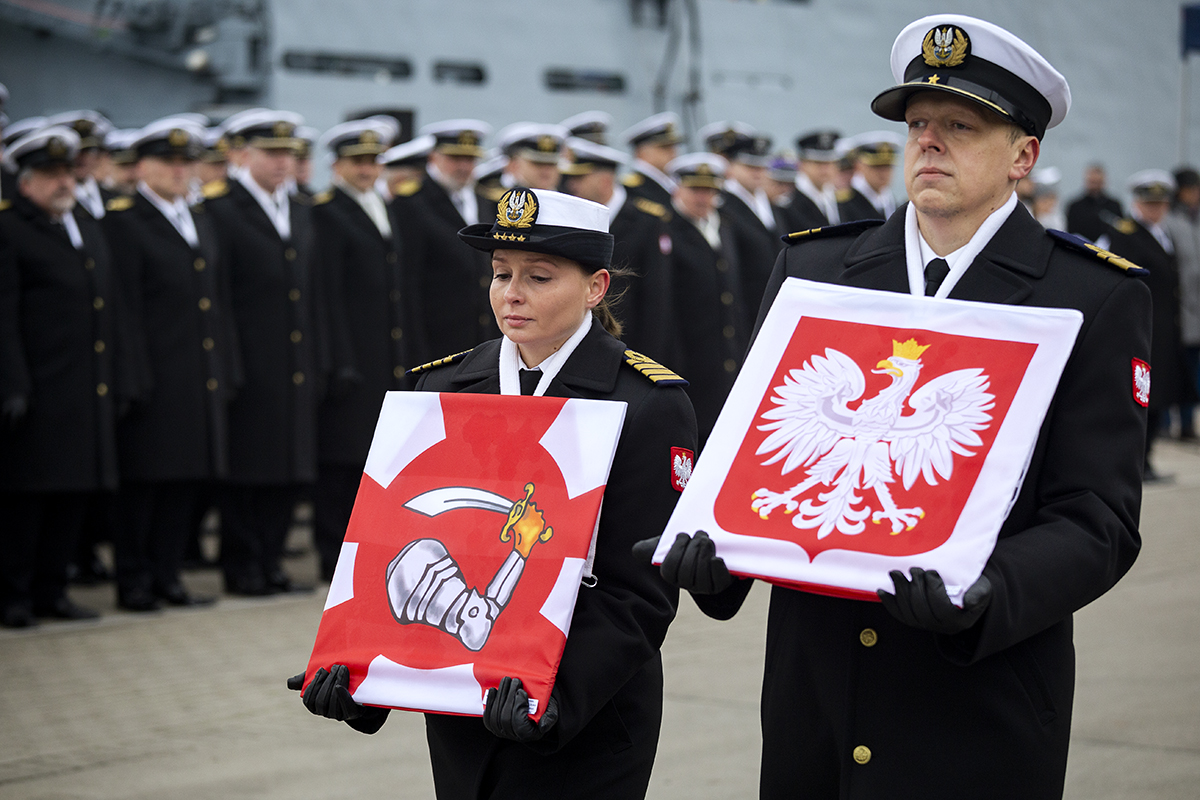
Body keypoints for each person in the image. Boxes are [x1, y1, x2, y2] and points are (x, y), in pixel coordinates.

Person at [643, 14, 1151, 799]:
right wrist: (715, 558)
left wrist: (991, 591)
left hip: (977, 702)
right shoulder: (818, 274)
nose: (929, 142)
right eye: (918, 124)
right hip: (817, 702)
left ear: (1024, 155)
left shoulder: (1090, 295)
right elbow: (759, 455)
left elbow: (1100, 517)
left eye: (961, 125)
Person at [290, 187, 698, 799]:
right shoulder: (443, 388)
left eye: (539, 276)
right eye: (501, 274)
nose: (512, 293)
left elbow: (639, 594)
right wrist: (361, 677)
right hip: (462, 714)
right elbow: (389, 543)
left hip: (585, 715)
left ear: (595, 287)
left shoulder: (645, 403)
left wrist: (555, 697)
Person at [0, 125, 129, 626]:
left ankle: (52, 590)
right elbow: (4, 316)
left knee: (71, 499)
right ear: (25, 182)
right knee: (27, 504)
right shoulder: (11, 230)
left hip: (83, 390)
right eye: (49, 175)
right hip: (36, 391)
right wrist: (12, 384)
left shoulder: (82, 226)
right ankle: (14, 595)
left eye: (66, 173)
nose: (62, 184)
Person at [102, 116, 233, 610]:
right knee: (145, 484)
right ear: (142, 167)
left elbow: (215, 304)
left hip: (197, 375)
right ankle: (134, 581)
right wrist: (132, 377)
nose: (180, 172)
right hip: (153, 375)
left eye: (186, 163)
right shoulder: (123, 221)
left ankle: (168, 576)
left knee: (183, 481)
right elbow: (124, 310)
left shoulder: (196, 218)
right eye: (168, 163)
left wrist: (224, 368)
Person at [203, 109, 320, 596]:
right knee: (247, 470)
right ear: (242, 155)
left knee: (288, 470)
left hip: (294, 362)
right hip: (249, 360)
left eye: (288, 155)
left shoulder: (298, 208)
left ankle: (271, 561)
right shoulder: (220, 209)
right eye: (271, 154)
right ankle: (242, 565)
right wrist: (227, 364)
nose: (281, 163)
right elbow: (218, 296)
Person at [310, 118, 410, 583]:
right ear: (337, 165)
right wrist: (340, 359)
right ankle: (333, 554)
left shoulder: (381, 206)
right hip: (352, 356)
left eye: (373, 161)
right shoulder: (327, 212)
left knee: (377, 460)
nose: (367, 169)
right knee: (342, 461)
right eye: (358, 161)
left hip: (384, 354)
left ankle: (368, 549)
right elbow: (325, 293)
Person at [1099, 170, 1191, 481]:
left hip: (1163, 329)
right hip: (1139, 328)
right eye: (1149, 204)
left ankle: (1145, 461)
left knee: (1158, 395)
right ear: (1137, 203)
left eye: (1160, 204)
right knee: (1140, 395)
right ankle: (1134, 464)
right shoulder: (1124, 233)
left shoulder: (1163, 235)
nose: (1156, 210)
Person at [558, 135, 677, 364]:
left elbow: (657, 300)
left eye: (580, 177)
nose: (572, 184)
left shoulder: (646, 222)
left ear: (605, 180)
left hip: (630, 346)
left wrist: (645, 362)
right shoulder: (574, 220)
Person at [664, 152, 748, 448]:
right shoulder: (666, 229)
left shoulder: (724, 226)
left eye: (709, 190)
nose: (703, 198)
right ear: (677, 188)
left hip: (723, 356)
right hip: (688, 356)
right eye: (695, 190)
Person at [699, 121, 782, 311]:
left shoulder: (769, 204)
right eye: (750, 167)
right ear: (731, 166)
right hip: (745, 306)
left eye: (761, 167)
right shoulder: (724, 206)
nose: (758, 173)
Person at [1164, 167, 1200, 439]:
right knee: (1172, 366)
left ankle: (1187, 424)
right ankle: (1165, 424)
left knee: (1194, 370)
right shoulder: (1170, 222)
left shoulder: (1195, 220)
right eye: (1190, 189)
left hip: (1196, 309)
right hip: (1178, 310)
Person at [619, 112, 684, 208]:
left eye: (673, 147)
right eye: (664, 147)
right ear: (641, 152)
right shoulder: (629, 189)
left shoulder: (675, 185)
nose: (672, 152)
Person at [836, 131, 903, 221]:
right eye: (876, 166)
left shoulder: (890, 202)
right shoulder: (844, 204)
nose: (883, 172)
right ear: (858, 165)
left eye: (888, 166)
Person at [1066, 162, 1123, 242]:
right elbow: (1071, 233)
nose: (1095, 186)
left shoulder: (1114, 205)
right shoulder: (1075, 206)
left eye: (1098, 182)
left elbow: (1120, 231)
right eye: (1092, 182)